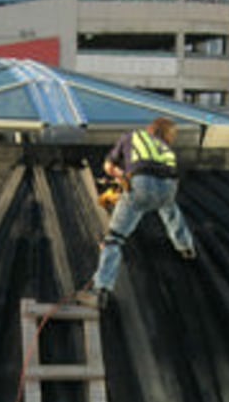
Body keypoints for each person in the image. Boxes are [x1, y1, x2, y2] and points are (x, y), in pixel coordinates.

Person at [77, 117, 196, 309]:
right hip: (169, 188)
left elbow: (108, 167)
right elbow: (165, 176)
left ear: (150, 129)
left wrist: (122, 177)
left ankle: (100, 290)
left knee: (113, 239)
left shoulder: (131, 137)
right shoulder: (166, 149)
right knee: (169, 208)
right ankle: (185, 246)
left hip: (142, 185)